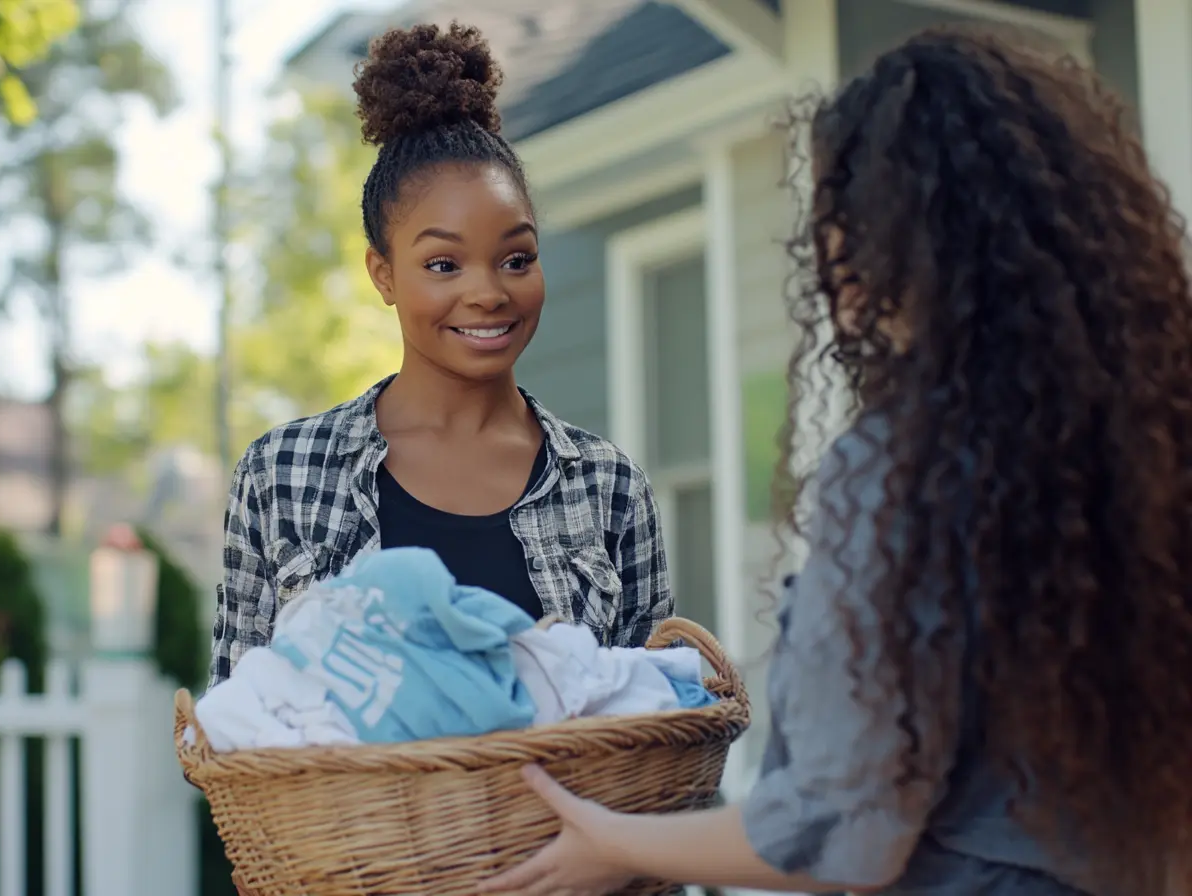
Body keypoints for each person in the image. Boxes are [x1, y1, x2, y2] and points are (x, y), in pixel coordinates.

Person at [481, 25, 1192, 896]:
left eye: (838, 221)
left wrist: (617, 844)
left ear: (877, 246)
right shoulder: (1150, 450)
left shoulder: (905, 470)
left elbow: (839, 829)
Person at [208, 22, 672, 692]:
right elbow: (231, 740)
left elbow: (657, 721)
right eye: (444, 264)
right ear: (384, 274)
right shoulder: (280, 475)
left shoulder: (610, 489)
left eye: (517, 258)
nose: (488, 293)